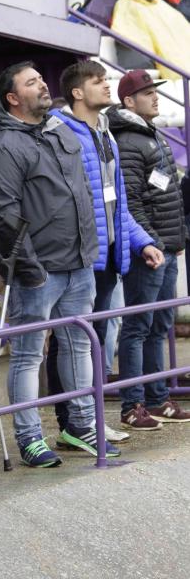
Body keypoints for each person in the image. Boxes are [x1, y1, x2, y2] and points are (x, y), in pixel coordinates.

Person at [0, 62, 119, 465]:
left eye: (42, 78)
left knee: (78, 346)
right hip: (38, 270)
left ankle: (80, 427)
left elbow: (84, 192)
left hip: (79, 263)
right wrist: (29, 269)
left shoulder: (59, 130)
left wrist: (89, 251)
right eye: (31, 82)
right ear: (13, 98)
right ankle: (29, 438)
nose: (43, 84)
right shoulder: (5, 146)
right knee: (27, 355)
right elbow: (4, 216)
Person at [47, 61, 162, 442]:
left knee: (95, 339)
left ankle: (89, 419)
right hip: (79, 257)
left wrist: (141, 241)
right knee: (71, 341)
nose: (107, 86)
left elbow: (118, 206)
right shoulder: (63, 133)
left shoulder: (107, 135)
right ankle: (71, 423)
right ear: (78, 92)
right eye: (99, 82)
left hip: (109, 256)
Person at [107, 70, 190, 429]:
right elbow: (132, 203)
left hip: (167, 248)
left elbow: (168, 192)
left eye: (155, 92)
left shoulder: (150, 133)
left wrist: (176, 238)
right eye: (146, 93)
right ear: (128, 101)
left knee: (159, 326)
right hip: (149, 252)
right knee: (139, 326)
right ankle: (133, 404)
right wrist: (151, 243)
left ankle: (157, 399)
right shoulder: (128, 141)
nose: (155, 97)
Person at [112, 0, 190, 79]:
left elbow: (180, 25)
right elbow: (127, 32)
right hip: (155, 52)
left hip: (175, 47)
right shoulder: (125, 4)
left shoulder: (158, 3)